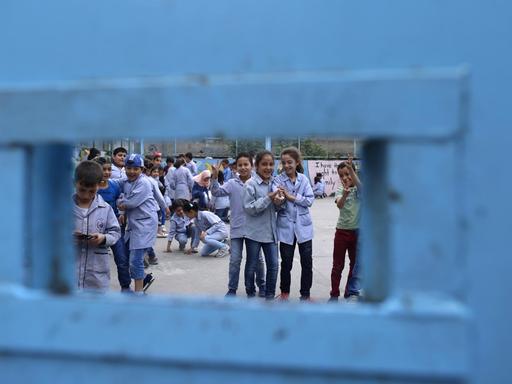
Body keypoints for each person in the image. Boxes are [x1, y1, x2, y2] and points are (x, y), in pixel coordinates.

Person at [211, 153, 266, 297]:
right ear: (236, 167)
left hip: (254, 229)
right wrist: (215, 177)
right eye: (240, 165)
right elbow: (216, 192)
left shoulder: (257, 182)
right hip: (236, 229)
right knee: (235, 260)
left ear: (251, 166)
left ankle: (262, 285)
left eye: (246, 164)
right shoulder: (231, 184)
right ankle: (232, 289)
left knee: (258, 260)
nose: (243, 168)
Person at [273, 147, 315, 301]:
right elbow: (277, 204)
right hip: (286, 227)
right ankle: (284, 293)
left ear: (297, 162)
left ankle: (305, 295)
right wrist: (279, 200)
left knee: (307, 263)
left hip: (304, 227)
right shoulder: (278, 180)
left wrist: (291, 196)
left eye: (290, 162)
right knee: (286, 263)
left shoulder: (303, 179)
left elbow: (310, 200)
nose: (286, 165)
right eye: (283, 163)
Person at [73, 160, 121, 292]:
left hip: (96, 277)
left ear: (99, 186)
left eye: (91, 191)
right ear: (74, 183)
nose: (86, 195)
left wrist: (103, 238)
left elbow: (115, 232)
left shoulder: (105, 209)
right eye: (82, 190)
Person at [117, 154, 159, 294]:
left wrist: (120, 204)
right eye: (129, 168)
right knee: (130, 258)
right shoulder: (127, 182)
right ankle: (144, 278)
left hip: (145, 225)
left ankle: (139, 293)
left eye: (135, 169)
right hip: (135, 225)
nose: (131, 171)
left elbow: (130, 203)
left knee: (135, 260)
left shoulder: (144, 183)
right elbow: (120, 190)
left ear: (141, 169)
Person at [243, 150, 281, 300]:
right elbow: (250, 208)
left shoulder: (275, 182)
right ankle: (250, 293)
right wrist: (268, 198)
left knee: (273, 266)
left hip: (271, 233)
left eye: (271, 164)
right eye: (264, 164)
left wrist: (279, 202)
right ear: (256, 166)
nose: (268, 167)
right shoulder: (250, 185)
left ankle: (270, 295)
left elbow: (278, 207)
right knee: (252, 265)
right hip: (254, 233)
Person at [94, 157, 131, 292]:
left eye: (109, 169)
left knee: (121, 258)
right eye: (103, 169)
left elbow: (121, 200)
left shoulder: (114, 186)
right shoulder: (92, 187)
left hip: (114, 226)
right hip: (95, 227)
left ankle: (125, 287)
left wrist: (121, 213)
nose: (107, 172)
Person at [329, 156, 362, 302]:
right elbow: (339, 205)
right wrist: (344, 194)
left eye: (348, 173)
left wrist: (351, 170)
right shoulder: (341, 189)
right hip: (342, 231)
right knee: (337, 265)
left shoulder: (359, 189)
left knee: (354, 265)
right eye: (341, 175)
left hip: (357, 233)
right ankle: (334, 294)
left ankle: (350, 292)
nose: (345, 177)